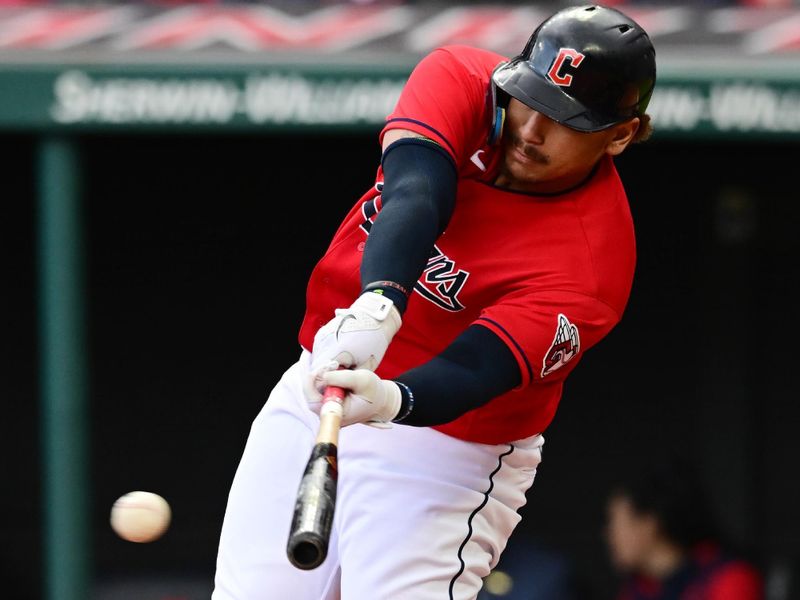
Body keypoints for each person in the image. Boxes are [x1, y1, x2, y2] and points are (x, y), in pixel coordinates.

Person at [212, 5, 656, 599]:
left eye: (565, 119)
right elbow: (416, 191)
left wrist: (395, 397)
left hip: (449, 449)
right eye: (530, 99)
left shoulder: (592, 264)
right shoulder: (464, 79)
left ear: (621, 134)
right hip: (321, 384)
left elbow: (477, 369)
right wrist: (380, 303)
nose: (530, 131)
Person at [605, 456, 765, 600]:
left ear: (649, 524)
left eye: (616, 523)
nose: (609, 535)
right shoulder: (636, 590)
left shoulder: (727, 577)